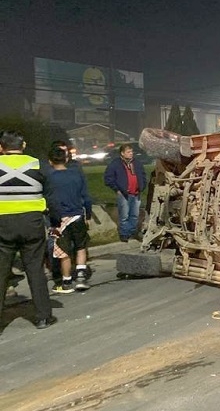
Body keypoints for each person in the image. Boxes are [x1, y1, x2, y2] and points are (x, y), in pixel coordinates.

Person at [0, 130, 57, 330]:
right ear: (23, 146)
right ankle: (43, 317)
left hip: (3, 224)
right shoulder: (37, 164)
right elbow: (51, 193)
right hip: (32, 223)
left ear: (1, 147)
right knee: (35, 270)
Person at [47, 146, 93, 293]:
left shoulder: (49, 178)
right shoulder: (76, 175)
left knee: (63, 250)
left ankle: (66, 281)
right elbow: (86, 197)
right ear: (66, 159)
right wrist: (88, 214)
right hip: (78, 215)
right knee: (80, 247)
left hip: (59, 219)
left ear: (50, 161)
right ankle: (81, 277)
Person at [103, 143, 146, 242]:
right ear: (122, 153)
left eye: (131, 152)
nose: (131, 154)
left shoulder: (137, 163)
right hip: (124, 194)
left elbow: (143, 175)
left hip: (136, 193)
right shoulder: (115, 164)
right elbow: (108, 178)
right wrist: (117, 189)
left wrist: (142, 186)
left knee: (134, 215)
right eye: (128, 152)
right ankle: (124, 234)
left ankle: (131, 232)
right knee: (124, 216)